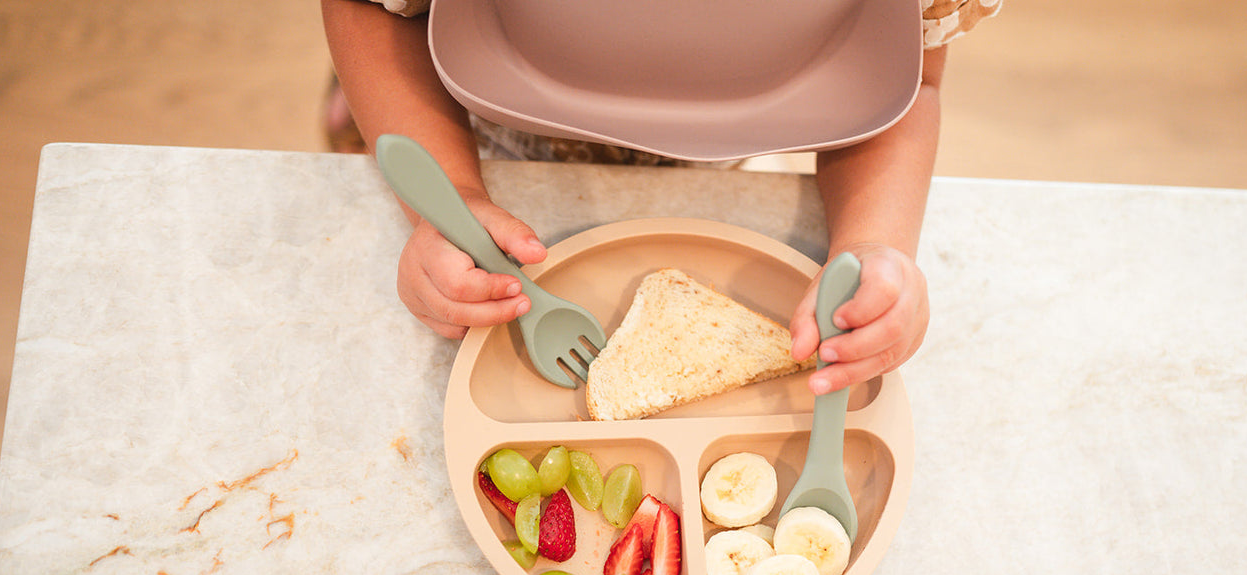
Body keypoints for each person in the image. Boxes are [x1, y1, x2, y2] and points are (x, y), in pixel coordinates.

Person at [321, 0, 1001, 396]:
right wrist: (447, 195)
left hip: (721, 153)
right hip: (459, 108)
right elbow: (378, 9)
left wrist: (875, 241)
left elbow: (910, 76)